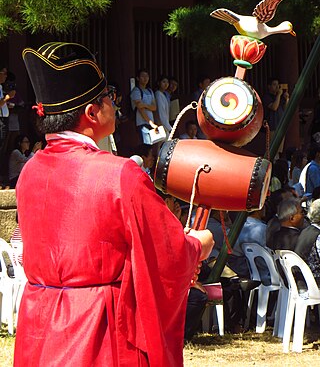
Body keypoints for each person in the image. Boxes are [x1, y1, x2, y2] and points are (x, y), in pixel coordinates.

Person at [14, 42, 214, 367]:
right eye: (108, 98)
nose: (114, 105)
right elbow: (165, 253)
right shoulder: (119, 173)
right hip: (98, 329)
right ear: (92, 113)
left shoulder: (30, 171)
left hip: (39, 323)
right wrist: (195, 245)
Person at [263, 77, 289, 158]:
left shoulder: (279, 97)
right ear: (269, 86)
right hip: (271, 127)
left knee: (279, 150)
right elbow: (274, 107)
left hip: (280, 126)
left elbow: (286, 109)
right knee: (272, 150)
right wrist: (278, 95)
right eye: (274, 85)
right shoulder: (267, 97)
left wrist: (287, 99)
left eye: (278, 85)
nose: (277, 87)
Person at [130, 68, 158, 143]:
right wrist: (151, 123)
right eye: (143, 76)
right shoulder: (136, 91)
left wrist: (144, 105)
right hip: (141, 122)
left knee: (151, 144)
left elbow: (154, 107)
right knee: (146, 144)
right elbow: (140, 109)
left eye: (147, 76)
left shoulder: (150, 91)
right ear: (138, 78)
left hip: (151, 122)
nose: (145, 78)